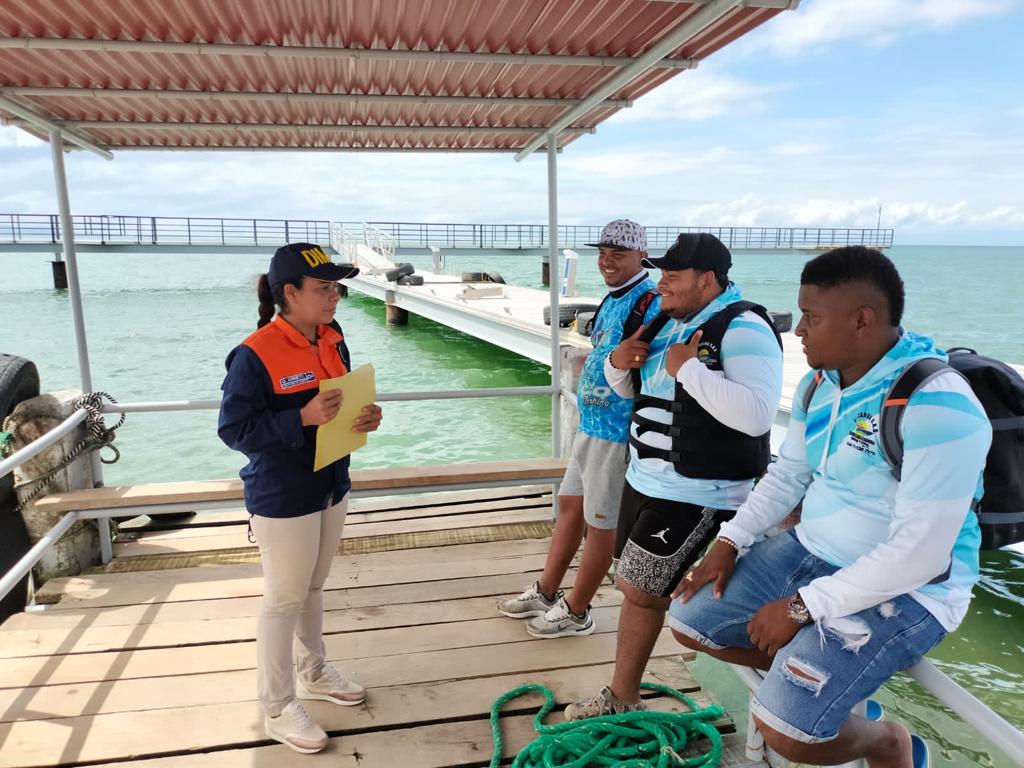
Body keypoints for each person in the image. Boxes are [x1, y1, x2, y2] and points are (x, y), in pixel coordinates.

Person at [670, 247, 992, 768]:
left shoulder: (938, 404)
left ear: (861, 320)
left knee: (789, 733)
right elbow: (788, 474)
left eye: (812, 317)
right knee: (691, 619)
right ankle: (819, 684)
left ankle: (887, 741)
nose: (798, 329)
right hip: (814, 550)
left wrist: (802, 607)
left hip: (912, 588)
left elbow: (921, 556)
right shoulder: (819, 385)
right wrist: (730, 540)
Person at [566, 232, 785, 719]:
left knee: (642, 591)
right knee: (635, 586)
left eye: (673, 275)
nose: (661, 284)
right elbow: (633, 391)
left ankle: (622, 697)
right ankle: (625, 694)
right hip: (645, 478)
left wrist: (688, 369)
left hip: (700, 488)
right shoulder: (665, 319)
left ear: (708, 280)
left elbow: (756, 415)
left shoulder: (743, 327)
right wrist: (618, 363)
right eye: (661, 273)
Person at [218, 242, 383, 755]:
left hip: (332, 484)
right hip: (282, 494)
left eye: (336, 288)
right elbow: (233, 429)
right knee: (283, 599)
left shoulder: (334, 338)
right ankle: (275, 704)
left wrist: (366, 417)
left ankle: (313, 670)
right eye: (322, 289)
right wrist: (301, 419)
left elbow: (345, 401)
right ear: (289, 293)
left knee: (313, 586)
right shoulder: (255, 353)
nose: (333, 298)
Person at [498, 220, 660, 637]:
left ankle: (578, 609)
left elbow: (637, 362)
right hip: (589, 425)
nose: (607, 261)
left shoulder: (649, 302)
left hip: (616, 432)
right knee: (570, 508)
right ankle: (548, 590)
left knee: (600, 525)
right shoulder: (612, 300)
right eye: (603, 253)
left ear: (641, 256)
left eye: (618, 254)